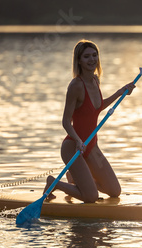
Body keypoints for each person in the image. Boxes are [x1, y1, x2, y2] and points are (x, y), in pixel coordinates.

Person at [44, 40, 135, 202]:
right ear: (79, 60)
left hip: (92, 146)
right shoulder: (75, 86)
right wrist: (78, 141)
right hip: (74, 147)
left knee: (114, 191)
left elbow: (97, 107)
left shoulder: (95, 80)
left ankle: (75, 179)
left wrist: (120, 92)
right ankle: (54, 182)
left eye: (94, 55)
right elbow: (65, 121)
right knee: (91, 197)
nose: (92, 59)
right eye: (86, 56)